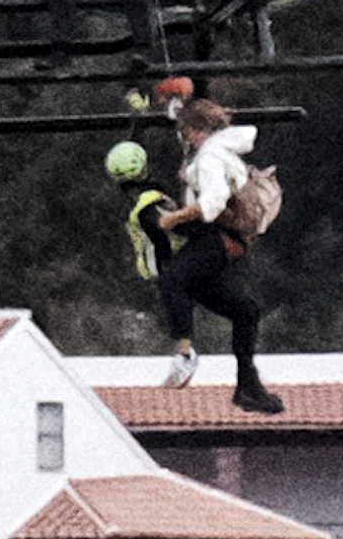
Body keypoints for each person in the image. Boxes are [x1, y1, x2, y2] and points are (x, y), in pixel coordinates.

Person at [156, 97, 285, 414]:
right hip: (227, 244)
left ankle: (184, 352)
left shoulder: (212, 155)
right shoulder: (220, 149)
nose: (185, 138)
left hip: (213, 238)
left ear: (201, 130)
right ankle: (248, 386)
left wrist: (175, 219)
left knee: (173, 277)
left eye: (188, 131)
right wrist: (176, 106)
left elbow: (213, 204)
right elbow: (187, 135)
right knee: (245, 312)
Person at [108, 140, 178, 286]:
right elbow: (164, 243)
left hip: (154, 272)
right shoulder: (153, 199)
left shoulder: (129, 201)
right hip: (169, 271)